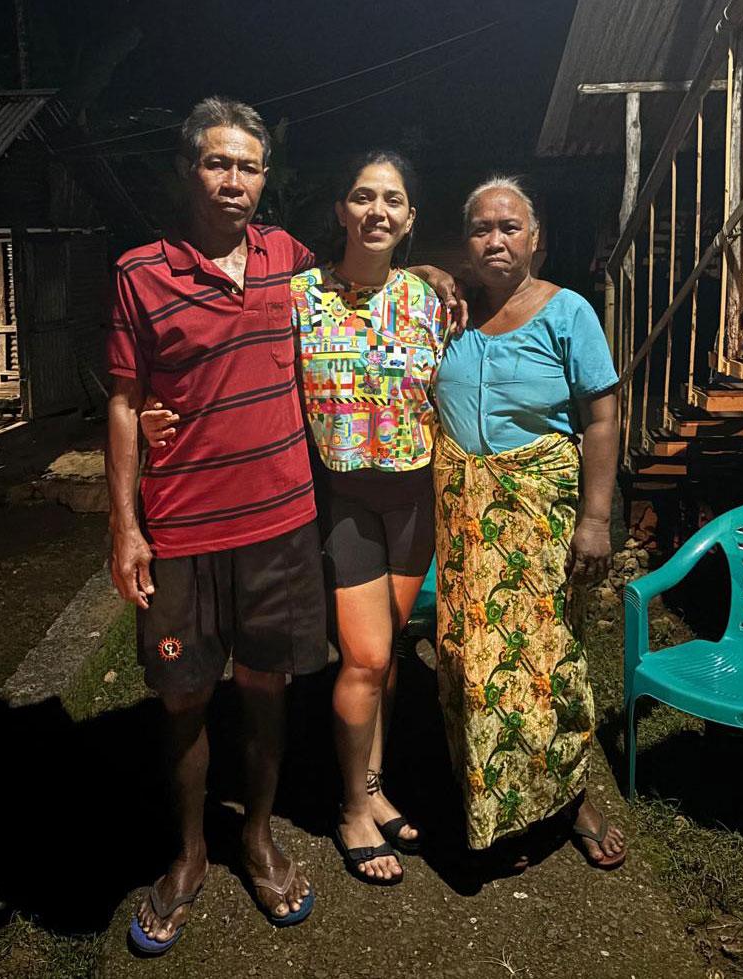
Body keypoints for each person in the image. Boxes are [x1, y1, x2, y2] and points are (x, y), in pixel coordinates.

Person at [106, 96, 328, 953]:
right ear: (186, 170)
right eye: (217, 163)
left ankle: (259, 836)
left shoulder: (291, 261)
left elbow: (367, 283)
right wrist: (124, 529)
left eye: (249, 166)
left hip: (279, 525)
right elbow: (125, 404)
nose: (233, 181)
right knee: (185, 697)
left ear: (265, 179)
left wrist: (443, 275)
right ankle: (192, 851)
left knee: (267, 687)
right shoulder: (140, 274)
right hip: (183, 530)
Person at [432, 176, 627, 869]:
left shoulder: (567, 312)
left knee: (544, 661)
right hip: (463, 518)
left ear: (535, 239)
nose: (496, 239)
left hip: (539, 515)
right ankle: (499, 806)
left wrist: (596, 519)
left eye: (510, 227)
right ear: (466, 242)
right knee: (467, 662)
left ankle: (568, 795)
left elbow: (601, 418)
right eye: (482, 228)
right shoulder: (449, 314)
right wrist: (428, 272)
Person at [292, 151, 445, 885]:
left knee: (384, 664)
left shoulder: (432, 299)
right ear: (341, 211)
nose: (378, 210)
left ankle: (377, 787)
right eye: (363, 196)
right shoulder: (300, 297)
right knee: (365, 658)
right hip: (346, 498)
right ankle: (352, 807)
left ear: (410, 218)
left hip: (414, 499)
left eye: (393, 199)